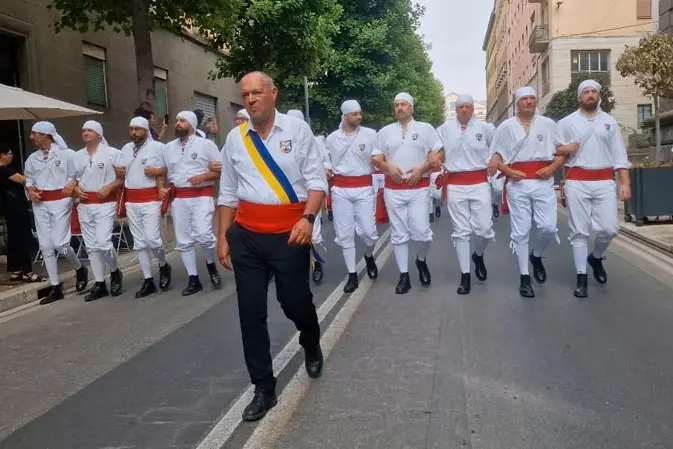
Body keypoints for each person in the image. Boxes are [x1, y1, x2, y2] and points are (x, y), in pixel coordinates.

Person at [217, 71, 327, 422]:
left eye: (257, 92)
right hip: (246, 236)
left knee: (294, 302)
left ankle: (310, 340)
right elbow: (228, 193)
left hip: (290, 234)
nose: (250, 99)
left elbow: (316, 180)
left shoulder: (297, 132)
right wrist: (222, 236)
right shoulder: (236, 139)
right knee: (250, 313)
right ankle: (263, 387)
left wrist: (307, 220)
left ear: (273, 93)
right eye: (245, 94)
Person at [488, 87, 569, 298]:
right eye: (525, 99)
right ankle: (524, 277)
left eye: (532, 98)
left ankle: (537, 254)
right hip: (518, 184)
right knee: (521, 231)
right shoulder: (505, 127)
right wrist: (508, 170)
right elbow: (496, 158)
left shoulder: (549, 124)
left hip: (543, 182)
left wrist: (552, 168)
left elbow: (562, 152)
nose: (529, 102)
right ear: (517, 103)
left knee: (548, 228)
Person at [556, 79, 631, 298]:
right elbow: (553, 149)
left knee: (610, 228)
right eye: (586, 92)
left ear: (599, 96)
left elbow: (619, 155)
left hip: (604, 181)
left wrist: (624, 183)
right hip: (577, 181)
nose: (590, 95)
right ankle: (581, 278)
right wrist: (564, 148)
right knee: (579, 231)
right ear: (579, 97)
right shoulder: (566, 123)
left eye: (593, 92)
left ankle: (596, 257)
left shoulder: (610, 122)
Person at [371, 92, 443, 294]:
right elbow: (376, 157)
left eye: (403, 104)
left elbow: (439, 152)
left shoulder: (425, 129)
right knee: (399, 234)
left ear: (411, 107)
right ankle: (404, 275)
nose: (400, 108)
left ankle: (421, 260)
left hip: (418, 188)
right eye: (396, 105)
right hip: (393, 190)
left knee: (422, 233)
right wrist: (388, 166)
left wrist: (422, 169)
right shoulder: (385, 132)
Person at [435, 94, 496, 295]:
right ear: (456, 109)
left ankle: (478, 255)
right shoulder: (444, 130)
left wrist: (496, 161)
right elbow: (435, 151)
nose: (464, 110)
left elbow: (498, 149)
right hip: (455, 184)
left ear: (472, 108)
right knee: (461, 232)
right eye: (460, 106)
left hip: (479, 183)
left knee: (484, 230)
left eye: (467, 106)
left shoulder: (485, 129)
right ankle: (465, 275)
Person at [24, 121, 88, 304]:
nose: (31, 136)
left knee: (60, 243)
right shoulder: (32, 159)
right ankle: (55, 286)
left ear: (45, 135)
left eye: (34, 133)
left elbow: (80, 171)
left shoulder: (67, 154)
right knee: (45, 246)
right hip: (40, 204)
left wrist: (73, 182)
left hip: (60, 201)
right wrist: (30, 190)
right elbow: (28, 178)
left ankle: (79, 267)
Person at [162, 111, 222, 295]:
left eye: (182, 121)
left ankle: (211, 265)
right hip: (179, 198)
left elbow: (220, 170)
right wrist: (161, 187)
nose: (178, 123)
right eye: (177, 120)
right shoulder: (169, 147)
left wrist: (203, 176)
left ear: (192, 124)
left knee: (204, 234)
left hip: (201, 196)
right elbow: (164, 172)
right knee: (183, 239)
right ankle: (193, 278)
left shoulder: (206, 145)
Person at [324, 99, 379, 293]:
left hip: (364, 187)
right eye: (355, 114)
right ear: (346, 116)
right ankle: (352, 274)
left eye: (360, 113)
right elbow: (325, 161)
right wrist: (327, 170)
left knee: (368, 232)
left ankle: (369, 255)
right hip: (341, 189)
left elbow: (379, 156)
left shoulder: (371, 135)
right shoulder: (331, 139)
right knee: (345, 233)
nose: (359, 117)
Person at [115, 117, 173, 297]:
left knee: (153, 239)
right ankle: (148, 280)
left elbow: (171, 168)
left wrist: (158, 173)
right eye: (131, 129)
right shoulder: (125, 149)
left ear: (146, 130)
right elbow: (120, 173)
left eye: (137, 129)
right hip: (132, 200)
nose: (133, 133)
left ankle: (163, 265)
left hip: (150, 199)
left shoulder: (158, 147)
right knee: (139, 242)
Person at [73, 121, 125, 301]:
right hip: (84, 204)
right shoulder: (77, 156)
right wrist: (75, 188)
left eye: (89, 130)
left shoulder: (112, 153)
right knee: (92, 246)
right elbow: (72, 179)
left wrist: (109, 187)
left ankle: (114, 271)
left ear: (98, 134)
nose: (86, 133)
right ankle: (100, 283)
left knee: (103, 242)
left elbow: (123, 177)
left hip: (104, 203)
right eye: (84, 130)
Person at [286, 108, 329, 284]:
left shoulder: (315, 142)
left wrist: (326, 169)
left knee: (314, 234)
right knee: (286, 234)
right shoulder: (279, 142)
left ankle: (316, 262)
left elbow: (326, 161)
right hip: (287, 197)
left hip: (311, 195)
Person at [0, 146, 45, 283]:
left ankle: (16, 270)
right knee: (22, 237)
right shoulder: (5, 170)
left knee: (13, 238)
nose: (11, 156)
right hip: (16, 207)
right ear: (1, 155)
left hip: (8, 209)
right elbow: (24, 180)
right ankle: (27, 271)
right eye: (9, 153)